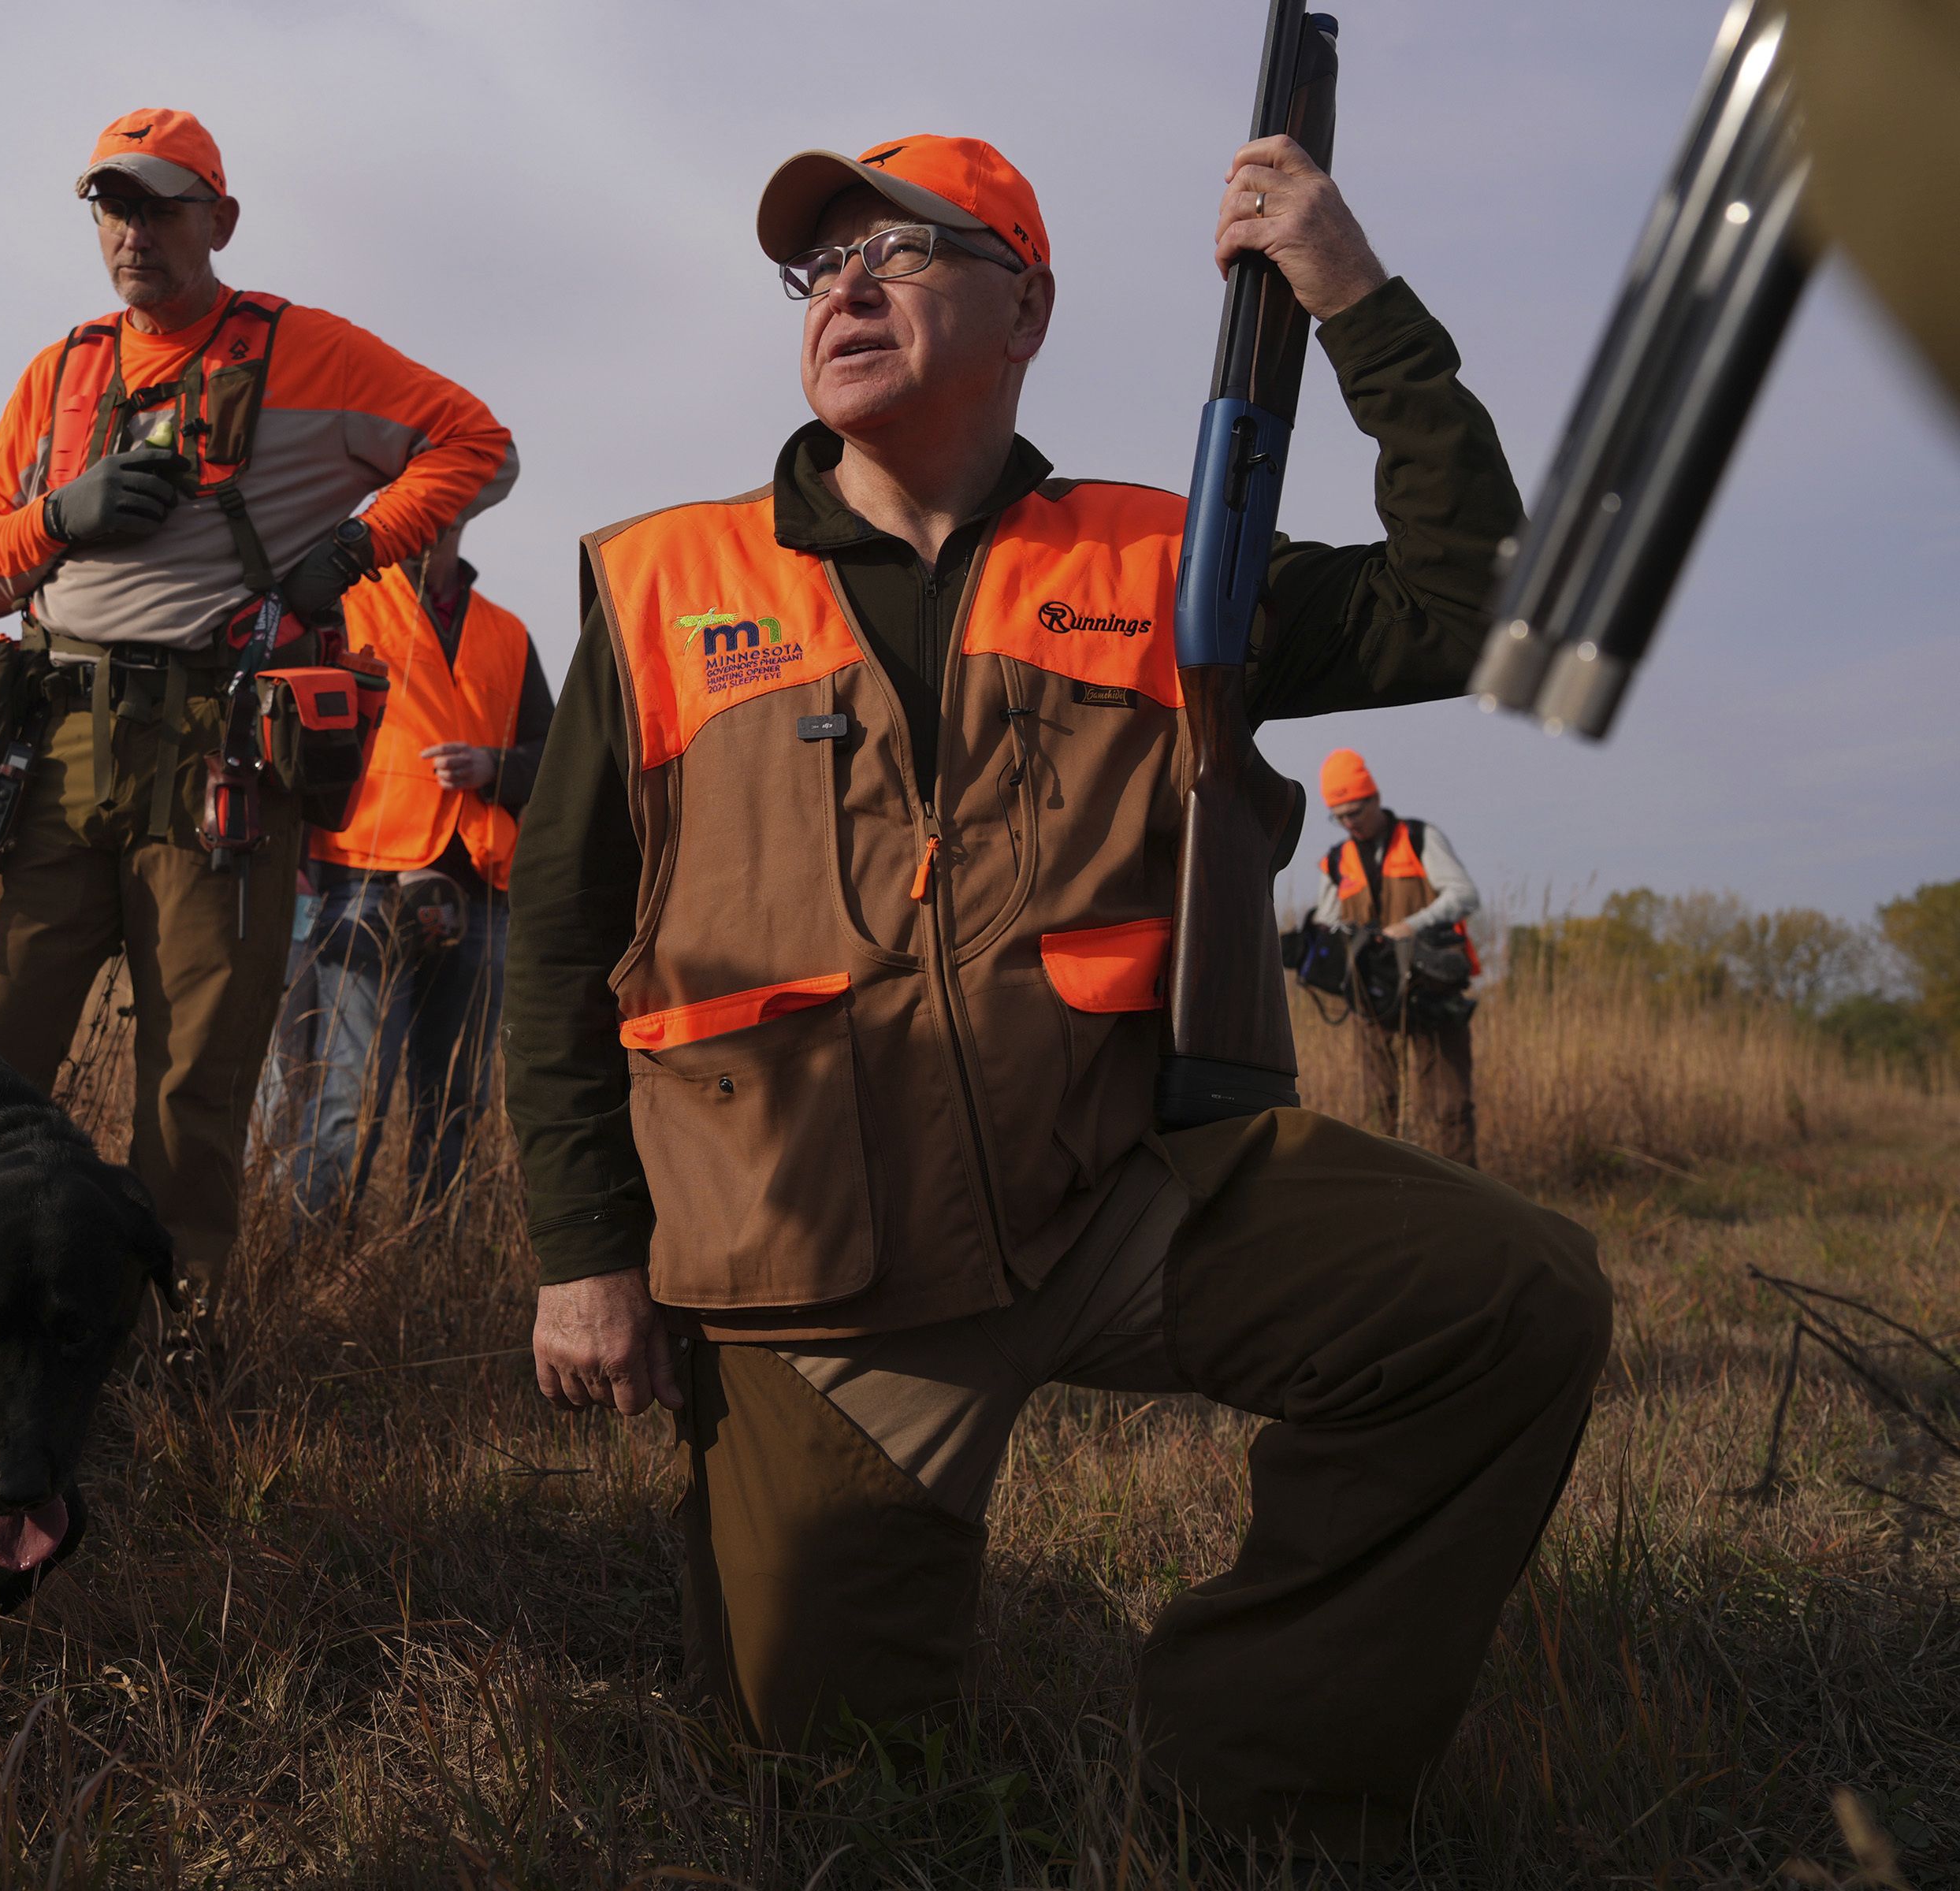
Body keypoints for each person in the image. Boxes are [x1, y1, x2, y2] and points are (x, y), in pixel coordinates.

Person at [501, 132, 1611, 1866]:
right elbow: (562, 942)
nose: (845, 285)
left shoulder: (1174, 564)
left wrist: (1351, 295)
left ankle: (1249, 1781)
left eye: (903, 248)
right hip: (816, 1284)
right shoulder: (662, 588)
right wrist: (586, 1253)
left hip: (1121, 1197)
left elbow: (1477, 604)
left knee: (1511, 1302)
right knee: (843, 1803)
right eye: (821, 264)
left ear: (1024, 305)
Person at [0, 108, 514, 1321]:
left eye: (160, 205)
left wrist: (355, 549)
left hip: (222, 757)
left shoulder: (308, 350)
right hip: (59, 743)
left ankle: (165, 1340)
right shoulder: (57, 373)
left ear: (222, 220)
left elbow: (480, 445)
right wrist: (66, 516)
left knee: (194, 1084)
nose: (133, 231)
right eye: (113, 205)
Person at [270, 522, 551, 1219]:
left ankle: (430, 1276)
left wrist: (497, 767)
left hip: (482, 890)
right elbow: (290, 737)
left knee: (456, 1096)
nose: (430, 517)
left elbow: (555, 754)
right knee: (346, 1097)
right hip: (359, 879)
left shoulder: (507, 633)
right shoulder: (342, 609)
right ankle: (314, 1269)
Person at [1311, 748, 1481, 1165]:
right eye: (1340, 816)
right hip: (1373, 998)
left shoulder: (1420, 838)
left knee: (1448, 1107)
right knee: (1378, 1106)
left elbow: (1465, 895)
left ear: (1375, 797)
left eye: (1356, 811)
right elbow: (1326, 922)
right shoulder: (1336, 861)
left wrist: (1413, 925)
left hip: (1432, 991)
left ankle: (1460, 1201)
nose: (1351, 822)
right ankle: (1388, 1195)